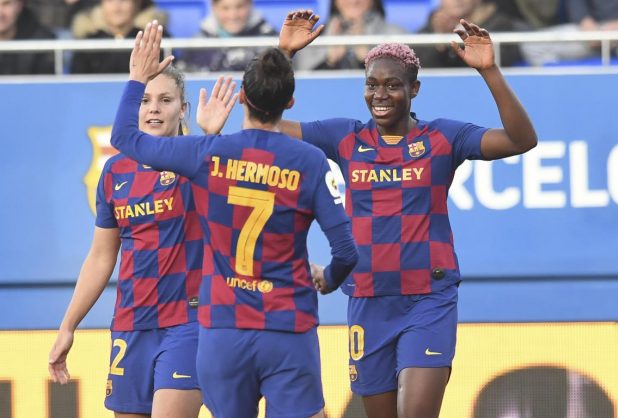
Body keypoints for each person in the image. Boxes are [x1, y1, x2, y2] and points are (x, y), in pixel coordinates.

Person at [273, 11, 537, 418]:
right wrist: (283, 54)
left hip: (427, 300)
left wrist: (489, 71)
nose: (380, 94)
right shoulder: (345, 137)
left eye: (393, 85)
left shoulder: (444, 137)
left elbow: (522, 140)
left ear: (414, 89)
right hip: (367, 301)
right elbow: (267, 124)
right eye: (372, 85)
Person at [110, 20, 358, 418]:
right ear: (290, 103)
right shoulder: (310, 161)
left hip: (223, 331)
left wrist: (138, 79)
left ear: (241, 97)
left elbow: (125, 139)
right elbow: (346, 251)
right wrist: (328, 279)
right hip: (287, 327)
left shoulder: (207, 154)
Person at [48, 64, 204, 418]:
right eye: (145, 100)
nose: (154, 109)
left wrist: (214, 132)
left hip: (188, 323)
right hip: (131, 325)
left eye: (165, 100)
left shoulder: (199, 159)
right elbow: (101, 257)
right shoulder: (115, 171)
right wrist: (68, 326)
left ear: (183, 109)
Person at [293, 0, 405, 71]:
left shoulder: (397, 35)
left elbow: (401, 83)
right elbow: (304, 86)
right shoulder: (312, 38)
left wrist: (366, 59)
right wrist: (330, 61)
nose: (354, 1)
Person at [415, 0, 530, 68]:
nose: (458, 0)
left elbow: (500, 63)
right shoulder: (430, 28)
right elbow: (421, 69)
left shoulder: (502, 25)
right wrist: (441, 39)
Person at [70, 0, 167, 74]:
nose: (116, 8)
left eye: (123, 0)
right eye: (110, 1)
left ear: (137, 4)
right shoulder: (87, 42)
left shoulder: (154, 39)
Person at [180, 0, 277, 72]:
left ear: (250, 5)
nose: (233, 15)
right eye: (225, 8)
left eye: (239, 7)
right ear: (214, 8)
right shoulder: (198, 45)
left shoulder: (269, 38)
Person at [0, 0, 56, 75]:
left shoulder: (44, 42)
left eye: (6, 4)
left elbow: (46, 80)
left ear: (19, 6)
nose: (1, 13)